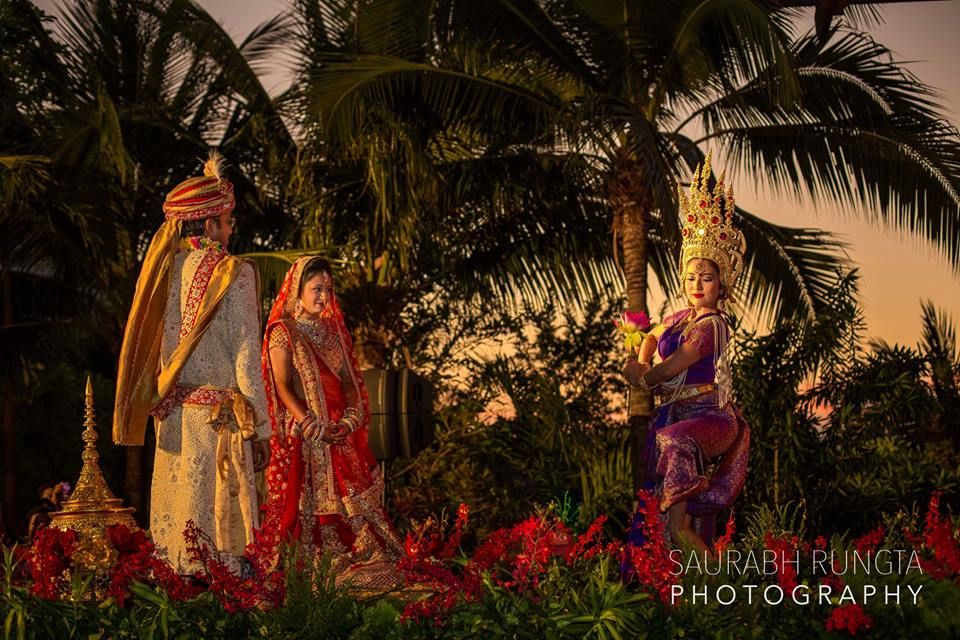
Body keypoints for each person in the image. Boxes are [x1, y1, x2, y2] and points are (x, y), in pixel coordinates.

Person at [113, 153, 270, 573]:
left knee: (175, 532)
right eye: (227, 218)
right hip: (219, 423)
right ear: (209, 224)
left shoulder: (162, 273)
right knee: (221, 540)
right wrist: (264, 428)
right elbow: (246, 356)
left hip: (171, 418)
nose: (231, 226)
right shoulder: (235, 272)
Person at [622, 154, 750, 560]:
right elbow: (650, 336)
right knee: (657, 514)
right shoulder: (678, 317)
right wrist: (640, 359)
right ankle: (676, 575)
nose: (697, 284)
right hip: (674, 414)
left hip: (708, 417)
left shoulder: (711, 326)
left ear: (721, 282)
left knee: (671, 445)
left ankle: (713, 573)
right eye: (691, 277)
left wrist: (643, 377)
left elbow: (676, 364)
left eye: (707, 277)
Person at [250, 256, 402, 591]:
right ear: (297, 291)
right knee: (304, 510)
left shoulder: (334, 331)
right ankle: (311, 569)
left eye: (328, 290)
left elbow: (348, 381)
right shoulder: (282, 333)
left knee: (362, 520)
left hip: (337, 434)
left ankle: (360, 559)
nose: (323, 297)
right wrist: (307, 421)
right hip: (307, 436)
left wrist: (348, 420)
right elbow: (282, 386)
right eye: (316, 289)